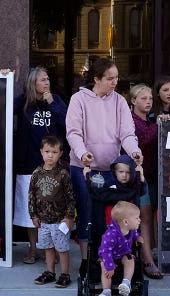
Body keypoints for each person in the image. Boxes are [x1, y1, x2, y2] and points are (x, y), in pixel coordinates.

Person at [65, 57, 143, 278]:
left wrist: (134, 151)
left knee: (109, 216)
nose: (114, 82)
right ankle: (86, 260)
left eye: (116, 77)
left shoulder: (119, 101)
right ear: (96, 79)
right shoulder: (78, 99)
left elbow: (127, 133)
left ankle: (108, 257)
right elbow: (73, 133)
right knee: (87, 214)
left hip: (111, 169)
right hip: (84, 168)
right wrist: (83, 154)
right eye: (110, 78)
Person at [12, 66, 68, 264]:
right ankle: (33, 248)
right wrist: (4, 78)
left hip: (52, 166)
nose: (47, 83)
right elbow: (4, 106)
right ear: (33, 83)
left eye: (48, 79)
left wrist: (53, 104)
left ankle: (49, 250)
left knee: (51, 208)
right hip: (28, 165)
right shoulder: (24, 103)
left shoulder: (56, 101)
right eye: (42, 80)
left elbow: (67, 123)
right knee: (30, 210)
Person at [29, 135, 75, 288]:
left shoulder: (63, 174)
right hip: (43, 221)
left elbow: (70, 197)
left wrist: (69, 217)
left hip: (59, 220)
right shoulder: (36, 173)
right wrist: (33, 215)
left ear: (60, 153)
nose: (50, 155)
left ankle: (64, 274)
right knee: (47, 248)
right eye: (47, 151)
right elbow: (31, 195)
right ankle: (50, 272)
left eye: (54, 152)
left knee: (62, 249)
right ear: (41, 152)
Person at [128, 84, 163, 279]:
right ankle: (147, 260)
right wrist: (161, 125)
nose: (148, 101)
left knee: (150, 218)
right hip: (137, 179)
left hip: (153, 176)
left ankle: (149, 256)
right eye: (143, 98)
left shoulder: (150, 122)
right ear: (133, 101)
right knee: (144, 217)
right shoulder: (131, 122)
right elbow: (143, 139)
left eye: (150, 98)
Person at [95, 201, 143, 296]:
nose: (139, 220)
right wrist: (110, 266)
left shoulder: (130, 230)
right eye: (137, 218)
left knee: (130, 260)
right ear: (125, 222)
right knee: (104, 267)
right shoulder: (111, 235)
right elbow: (105, 250)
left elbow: (134, 234)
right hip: (108, 256)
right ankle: (106, 292)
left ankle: (126, 283)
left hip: (122, 254)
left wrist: (137, 237)